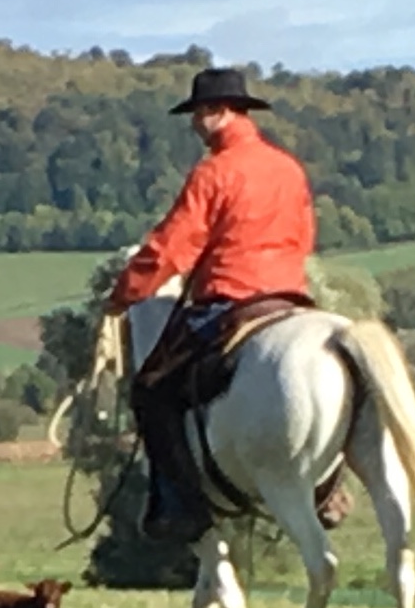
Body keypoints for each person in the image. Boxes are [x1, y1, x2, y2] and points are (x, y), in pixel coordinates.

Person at [105, 66, 329, 543]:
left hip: (231, 296)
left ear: (217, 112)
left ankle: (182, 507)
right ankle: (330, 490)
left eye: (198, 114)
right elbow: (305, 236)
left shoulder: (213, 173)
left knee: (151, 390)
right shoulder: (288, 168)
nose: (194, 124)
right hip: (291, 296)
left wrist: (125, 293)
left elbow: (171, 248)